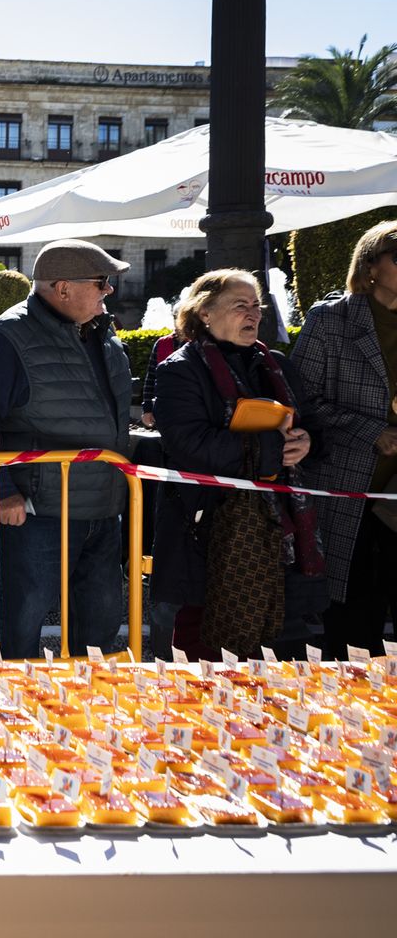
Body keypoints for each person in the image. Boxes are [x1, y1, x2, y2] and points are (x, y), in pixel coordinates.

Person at [0, 239, 132, 660]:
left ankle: (88, 721)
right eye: (101, 282)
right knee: (20, 635)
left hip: (102, 510)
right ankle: (13, 720)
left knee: (97, 637)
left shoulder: (101, 333)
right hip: (37, 514)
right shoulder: (6, 337)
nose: (108, 290)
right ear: (62, 288)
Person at [150, 269, 321, 659]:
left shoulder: (275, 363)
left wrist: (306, 440)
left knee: (280, 650)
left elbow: (312, 423)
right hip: (208, 529)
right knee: (209, 653)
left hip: (282, 530)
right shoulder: (179, 368)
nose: (253, 314)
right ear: (204, 313)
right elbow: (191, 446)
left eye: (256, 305)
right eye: (240, 305)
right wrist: (275, 449)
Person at [295, 221, 397, 658]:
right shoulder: (331, 319)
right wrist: (372, 431)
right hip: (348, 487)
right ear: (371, 265)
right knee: (352, 619)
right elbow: (301, 398)